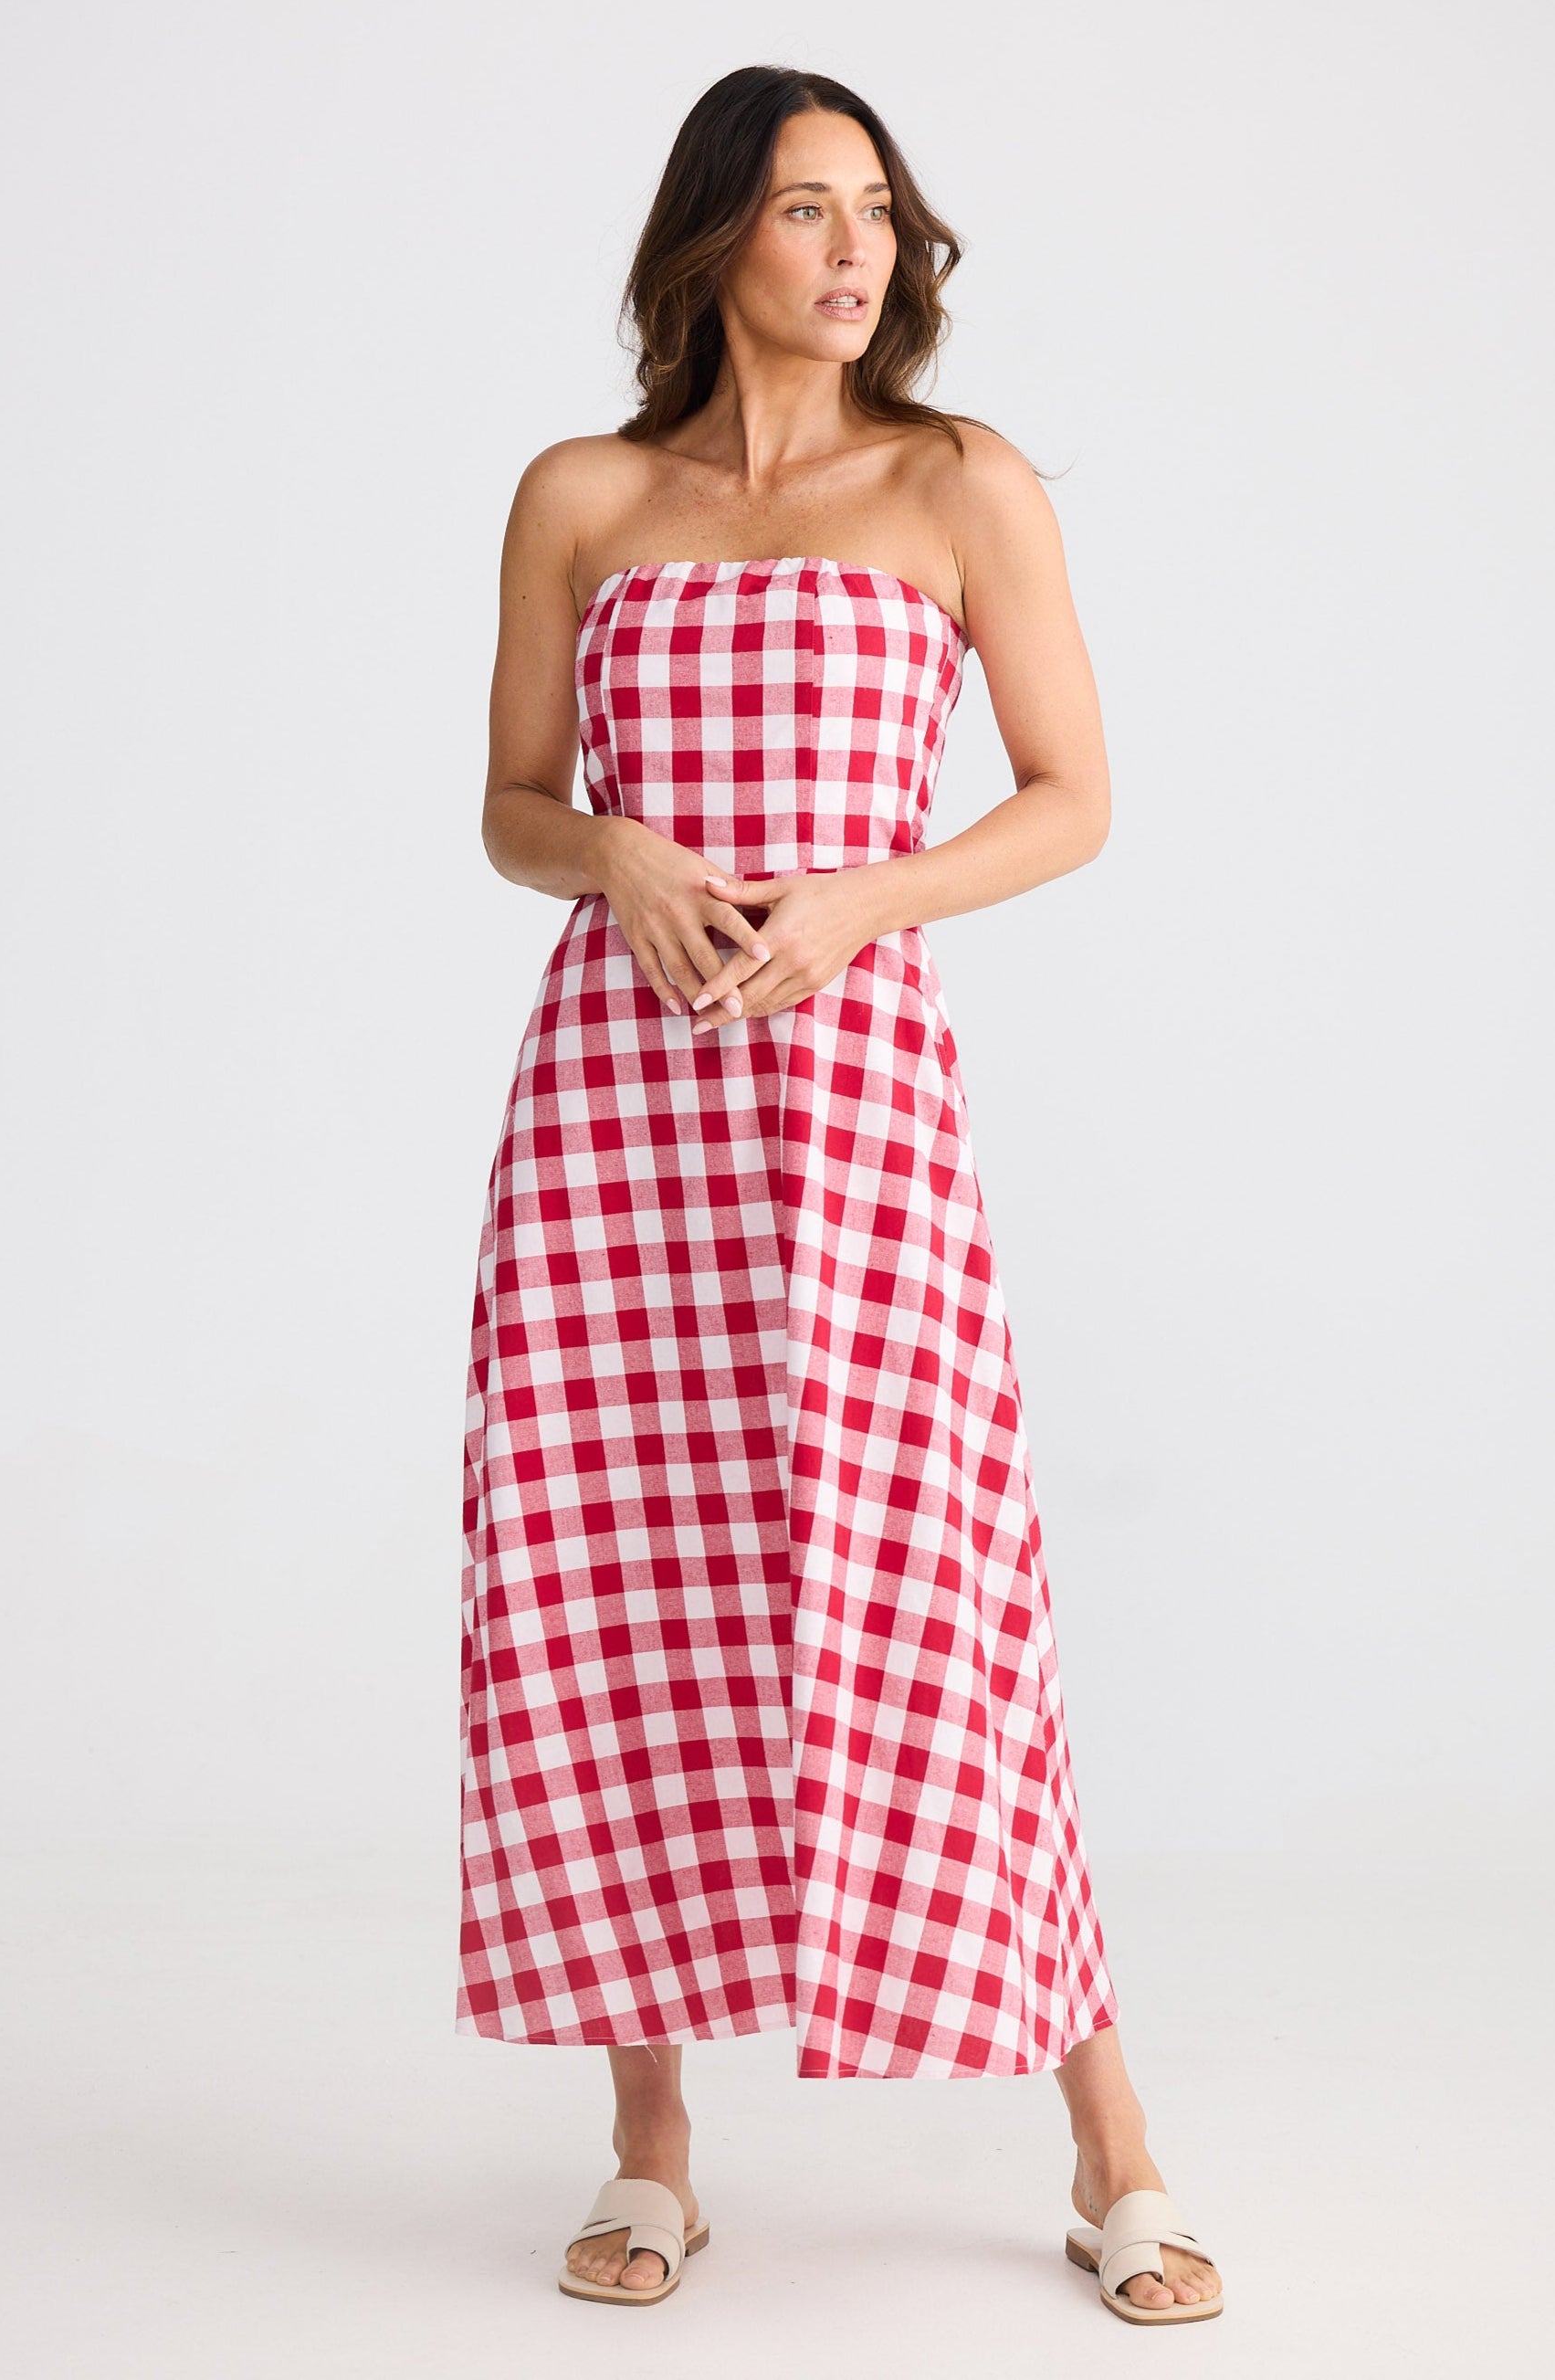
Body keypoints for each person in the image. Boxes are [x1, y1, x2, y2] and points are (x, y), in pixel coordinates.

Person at [457, 64, 1224, 2326]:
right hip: (618, 1110)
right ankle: (649, 2146)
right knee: (614, 1587)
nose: (856, 247)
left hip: (856, 1097)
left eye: (874, 208)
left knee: (939, 1584)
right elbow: (509, 802)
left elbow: (1069, 794)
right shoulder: (582, 493)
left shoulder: (956, 481)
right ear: (713, 238)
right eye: (807, 208)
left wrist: (866, 896)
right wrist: (612, 850)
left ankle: (1110, 2145)